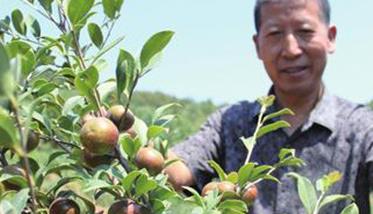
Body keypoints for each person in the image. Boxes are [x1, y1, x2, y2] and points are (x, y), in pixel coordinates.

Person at [164, 0, 373, 213]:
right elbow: (179, 167)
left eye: (305, 31)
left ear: (330, 37)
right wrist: (135, 141)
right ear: (257, 45)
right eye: (275, 34)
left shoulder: (363, 128)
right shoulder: (229, 122)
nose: (291, 50)